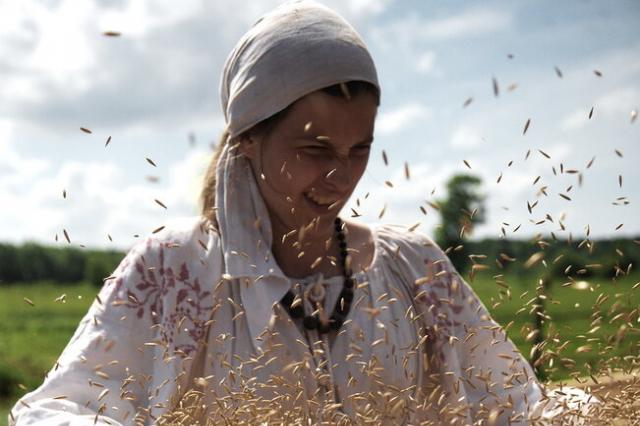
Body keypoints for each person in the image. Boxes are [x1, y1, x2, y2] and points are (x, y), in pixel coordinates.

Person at [10, 1, 597, 424]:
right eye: (314, 150)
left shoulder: (410, 267)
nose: (340, 177)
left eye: (359, 149)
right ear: (248, 139)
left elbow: (523, 404)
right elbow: (65, 408)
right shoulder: (177, 269)